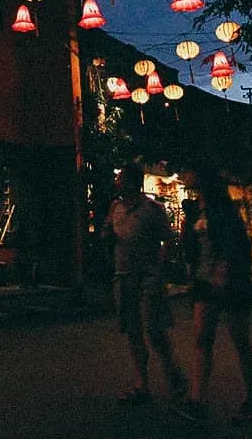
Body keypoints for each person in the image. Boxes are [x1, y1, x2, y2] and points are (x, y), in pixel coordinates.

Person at [177, 170, 252, 426]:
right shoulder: (194, 211)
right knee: (202, 339)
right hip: (204, 282)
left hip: (230, 283)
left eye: (189, 172)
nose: (184, 175)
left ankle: (250, 401)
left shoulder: (222, 211)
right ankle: (196, 399)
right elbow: (191, 246)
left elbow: (236, 244)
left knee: (240, 341)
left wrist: (225, 269)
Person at [101, 163, 185, 405]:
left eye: (122, 179)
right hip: (124, 275)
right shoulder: (115, 207)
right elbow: (108, 232)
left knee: (154, 329)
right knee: (132, 331)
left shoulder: (152, 208)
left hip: (148, 276)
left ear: (133, 182)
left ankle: (173, 374)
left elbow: (167, 240)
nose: (117, 182)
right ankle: (142, 384)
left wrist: (160, 267)